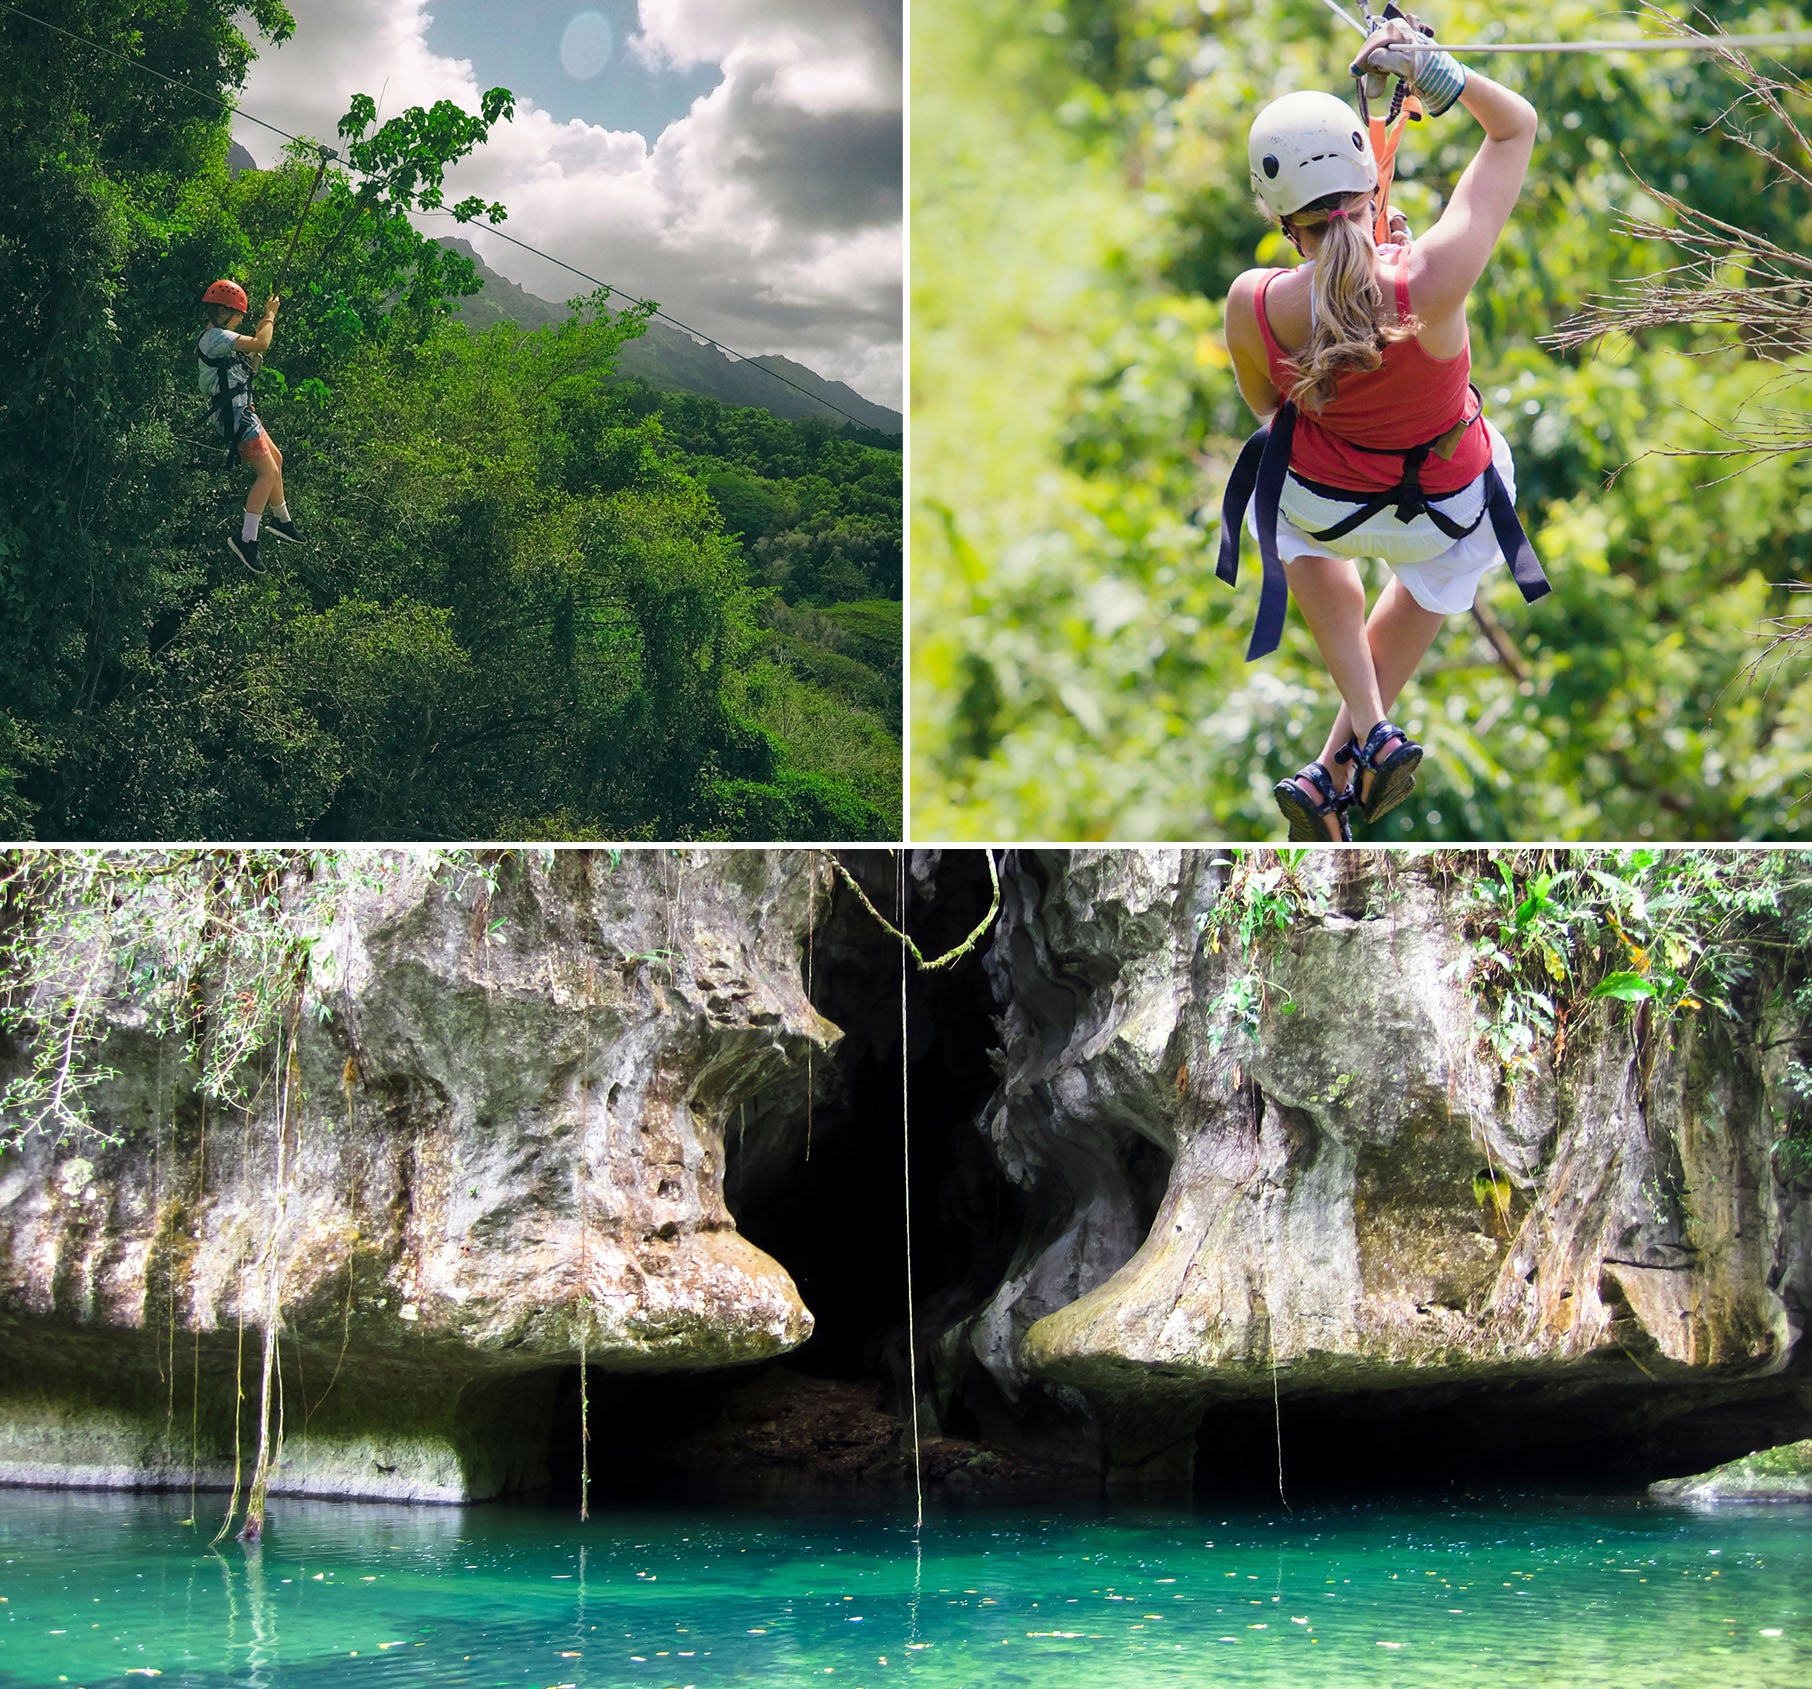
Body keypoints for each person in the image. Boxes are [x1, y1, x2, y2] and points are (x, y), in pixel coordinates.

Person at [1219, 16, 1546, 840]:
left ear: (1277, 211)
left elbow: (1270, 410)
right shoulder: (1430, 279)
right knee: (1438, 569)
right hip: (1449, 509)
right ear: (1370, 177)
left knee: (1280, 498)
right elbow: (1517, 130)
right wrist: (1442, 77)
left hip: (1331, 507)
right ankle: (1351, 750)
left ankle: (1360, 740)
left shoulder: (1253, 303)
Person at [196, 279, 301, 571]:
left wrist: (253, 356)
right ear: (225, 312)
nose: (242, 318)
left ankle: (283, 521)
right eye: (239, 313)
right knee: (266, 474)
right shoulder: (215, 338)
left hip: (242, 413)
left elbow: (253, 354)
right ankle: (247, 540)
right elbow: (262, 341)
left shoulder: (221, 340)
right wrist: (269, 315)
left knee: (276, 460)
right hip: (233, 416)